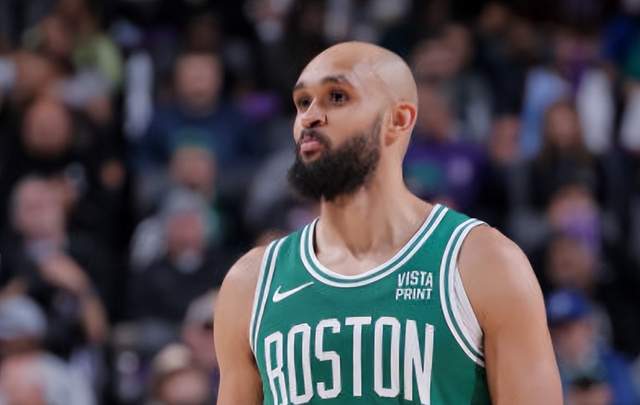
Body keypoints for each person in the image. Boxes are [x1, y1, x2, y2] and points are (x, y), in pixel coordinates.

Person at [215, 41, 562, 404]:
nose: (310, 117)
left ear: (399, 119)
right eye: (303, 102)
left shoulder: (483, 262)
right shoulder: (251, 283)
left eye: (337, 97)